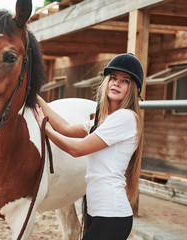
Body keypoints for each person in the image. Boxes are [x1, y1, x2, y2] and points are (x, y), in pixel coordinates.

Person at [33, 53, 144, 240]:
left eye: (125, 80)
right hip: (97, 212)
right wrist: (37, 99)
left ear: (132, 88)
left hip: (112, 215)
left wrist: (45, 129)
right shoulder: (103, 120)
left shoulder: (125, 118)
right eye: (114, 78)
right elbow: (66, 128)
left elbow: (77, 149)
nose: (116, 83)